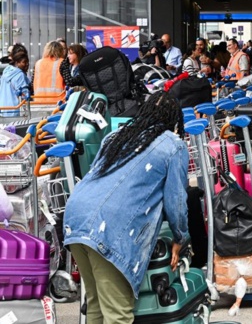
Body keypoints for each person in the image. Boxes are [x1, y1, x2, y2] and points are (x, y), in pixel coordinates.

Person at [63, 91, 189, 324]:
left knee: (97, 305)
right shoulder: (173, 145)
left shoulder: (116, 135)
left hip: (75, 216)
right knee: (118, 314)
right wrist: (181, 238)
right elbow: (177, 200)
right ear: (174, 120)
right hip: (107, 227)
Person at [0, 52, 30, 117]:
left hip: (2, 109)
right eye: (24, 62)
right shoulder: (20, 75)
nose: (27, 64)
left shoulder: (5, 72)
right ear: (17, 63)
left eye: (27, 62)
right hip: (14, 109)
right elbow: (25, 94)